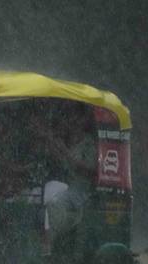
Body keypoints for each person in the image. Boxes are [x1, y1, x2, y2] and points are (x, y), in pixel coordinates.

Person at [30, 103, 98, 256]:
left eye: (74, 117)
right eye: (68, 117)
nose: (70, 121)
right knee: (34, 197)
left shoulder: (88, 144)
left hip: (79, 190)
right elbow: (59, 160)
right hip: (63, 185)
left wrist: (64, 151)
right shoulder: (66, 139)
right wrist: (50, 141)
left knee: (54, 204)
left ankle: (49, 245)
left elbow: (89, 170)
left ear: (83, 120)